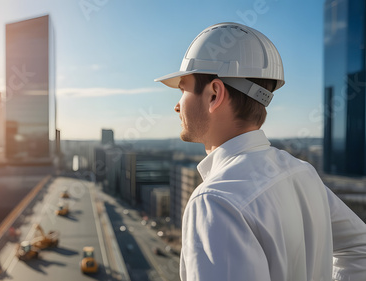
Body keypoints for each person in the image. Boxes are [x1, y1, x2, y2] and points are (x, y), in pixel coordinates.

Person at [155, 22, 366, 281]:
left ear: (214, 94)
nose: (177, 106)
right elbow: (360, 249)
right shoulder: (301, 172)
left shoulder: (216, 200)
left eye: (183, 90)